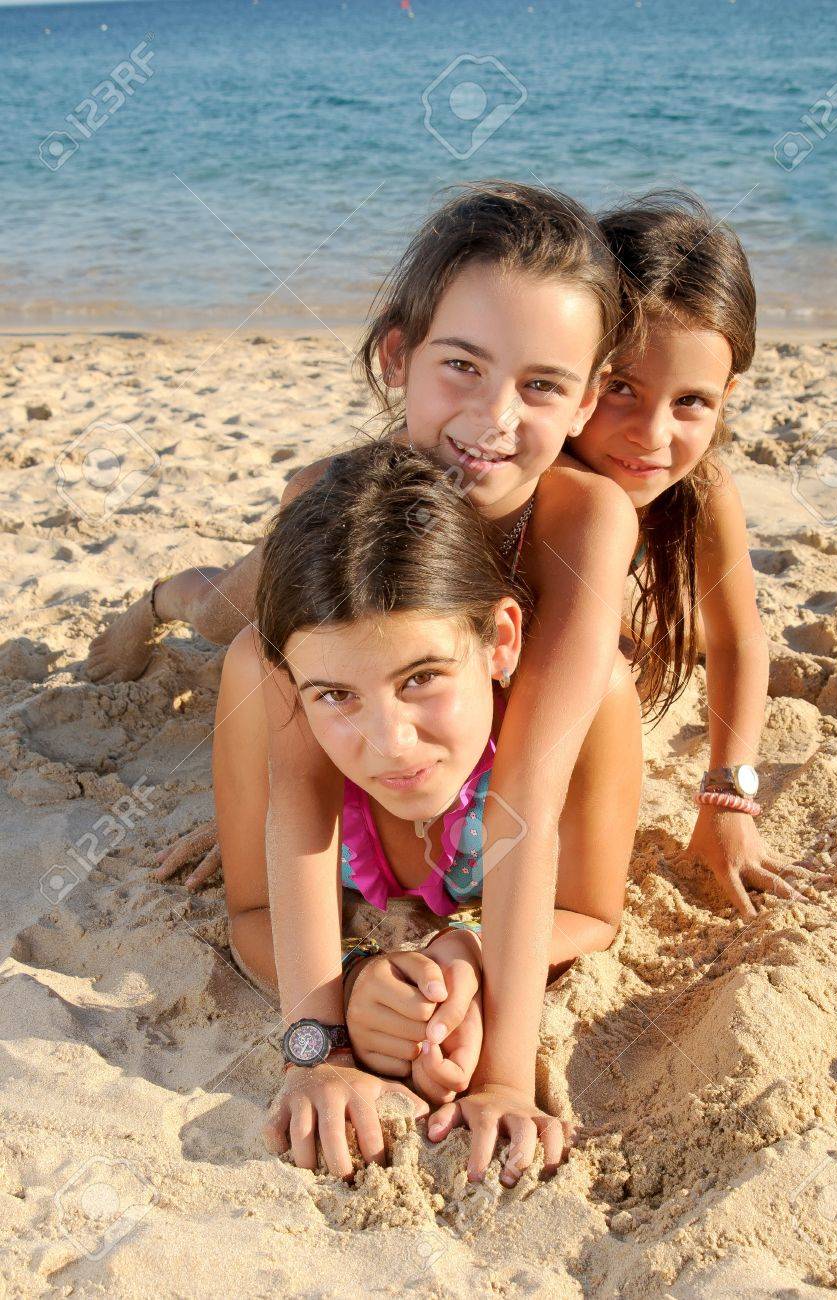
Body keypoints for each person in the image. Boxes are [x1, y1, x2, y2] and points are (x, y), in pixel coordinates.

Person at [147, 181, 642, 1181]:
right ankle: (151, 598)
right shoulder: (314, 517)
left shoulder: (583, 524)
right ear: (395, 357)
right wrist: (317, 1043)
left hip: (435, 733)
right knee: (224, 628)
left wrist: (503, 1067)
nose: (492, 417)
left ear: (588, 400)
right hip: (324, 577)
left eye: (542, 386)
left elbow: (525, 796)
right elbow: (294, 804)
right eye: (459, 364)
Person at [569, 191, 814, 917]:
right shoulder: (521, 475)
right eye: (619, 388)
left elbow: (739, 637)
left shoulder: (701, 486)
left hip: (597, 601)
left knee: (666, 630)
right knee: (217, 600)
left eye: (690, 402)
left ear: (727, 396)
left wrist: (726, 799)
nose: (650, 433)